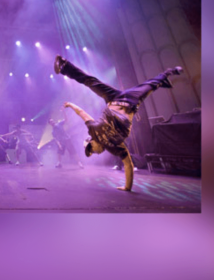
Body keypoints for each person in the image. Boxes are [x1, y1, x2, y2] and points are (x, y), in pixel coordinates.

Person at [54, 55, 183, 191]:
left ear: (91, 142)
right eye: (92, 152)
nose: (95, 153)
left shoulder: (92, 130)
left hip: (113, 98)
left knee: (90, 81)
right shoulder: (113, 148)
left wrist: (70, 104)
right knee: (149, 86)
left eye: (91, 150)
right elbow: (128, 164)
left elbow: (81, 112)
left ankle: (64, 66)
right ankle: (164, 79)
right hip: (130, 102)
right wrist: (127, 187)